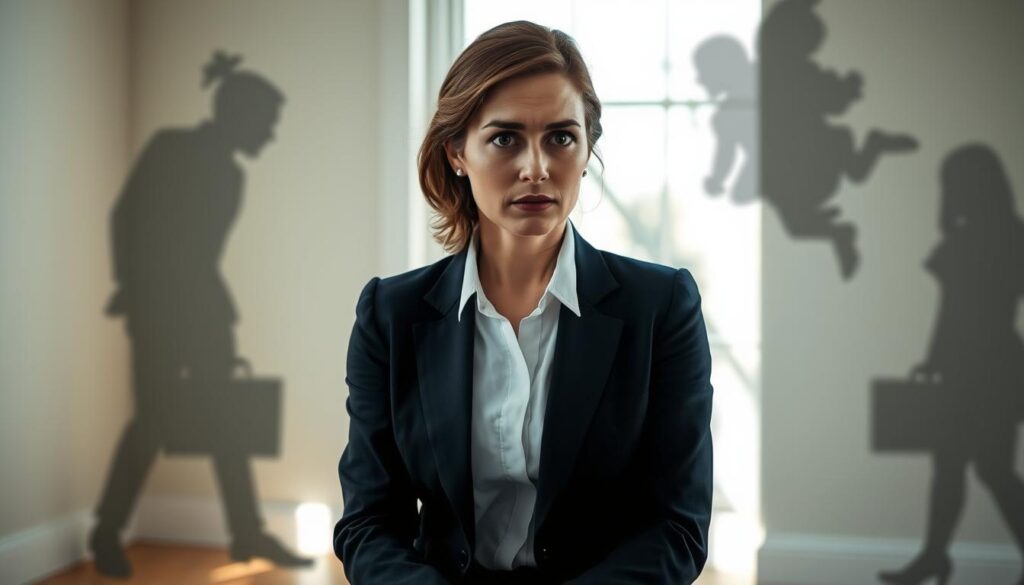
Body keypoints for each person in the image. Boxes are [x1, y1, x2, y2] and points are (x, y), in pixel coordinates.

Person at [333, 21, 714, 585]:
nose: (536, 167)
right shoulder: (389, 315)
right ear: (457, 152)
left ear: (586, 151)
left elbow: (676, 527)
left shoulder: (662, 308)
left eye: (561, 137)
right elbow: (368, 522)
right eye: (505, 138)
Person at [90, 52, 310, 577]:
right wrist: (133, 288)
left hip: (207, 311)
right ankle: (104, 533)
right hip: (161, 310)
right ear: (240, 115)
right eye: (267, 123)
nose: (271, 134)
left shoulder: (232, 174)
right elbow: (127, 219)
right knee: (152, 424)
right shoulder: (172, 148)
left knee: (227, 420)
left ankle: (247, 533)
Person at [878, 145, 1024, 585]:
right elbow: (954, 310)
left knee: (985, 467)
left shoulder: (971, 241)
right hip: (988, 363)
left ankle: (934, 557)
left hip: (983, 367)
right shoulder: (1006, 235)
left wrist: (936, 358)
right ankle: (934, 555)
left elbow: (956, 311)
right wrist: (934, 359)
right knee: (956, 464)